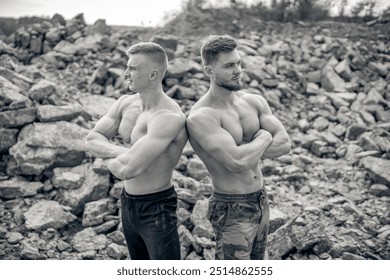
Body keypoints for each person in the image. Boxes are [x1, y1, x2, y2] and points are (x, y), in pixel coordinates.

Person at [186, 35, 291, 260]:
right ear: (209, 71)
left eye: (239, 63)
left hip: (261, 199)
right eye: (229, 65)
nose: (238, 70)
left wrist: (247, 148)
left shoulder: (254, 102)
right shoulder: (202, 116)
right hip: (231, 207)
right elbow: (237, 162)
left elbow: (284, 144)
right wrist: (263, 137)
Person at [85, 42, 187, 260]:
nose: (125, 74)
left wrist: (105, 158)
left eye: (132, 68)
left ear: (153, 74)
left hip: (157, 208)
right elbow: (91, 140)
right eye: (127, 67)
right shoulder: (125, 103)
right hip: (127, 204)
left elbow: (127, 169)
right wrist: (124, 152)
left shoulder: (169, 117)